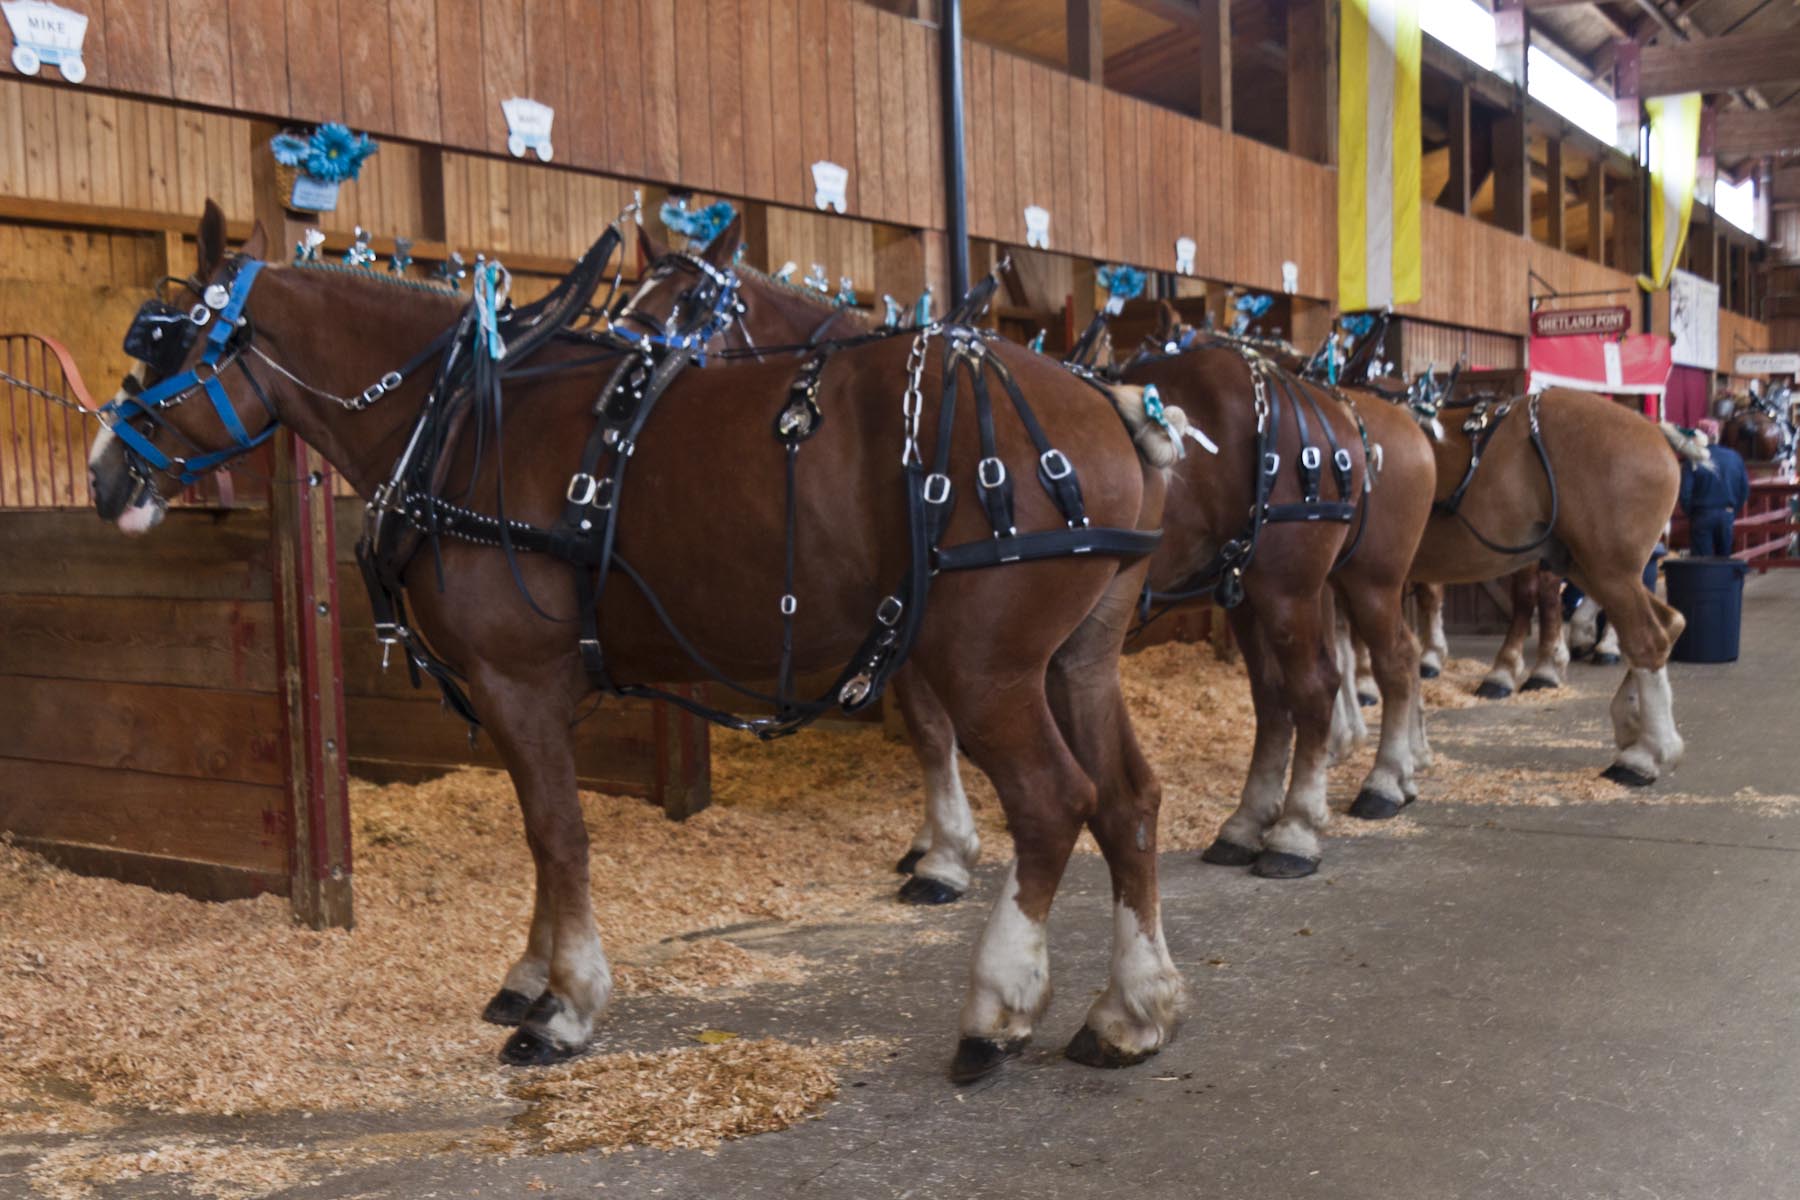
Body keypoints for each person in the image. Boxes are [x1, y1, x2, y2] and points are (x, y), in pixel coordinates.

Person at [1679, 418, 1750, 557]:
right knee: (1724, 560)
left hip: (1701, 514)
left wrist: (1692, 514)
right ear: (1716, 435)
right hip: (1726, 513)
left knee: (1701, 562)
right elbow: (1744, 490)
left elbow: (1685, 494)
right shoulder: (1734, 457)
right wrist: (1732, 511)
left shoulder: (1693, 460)